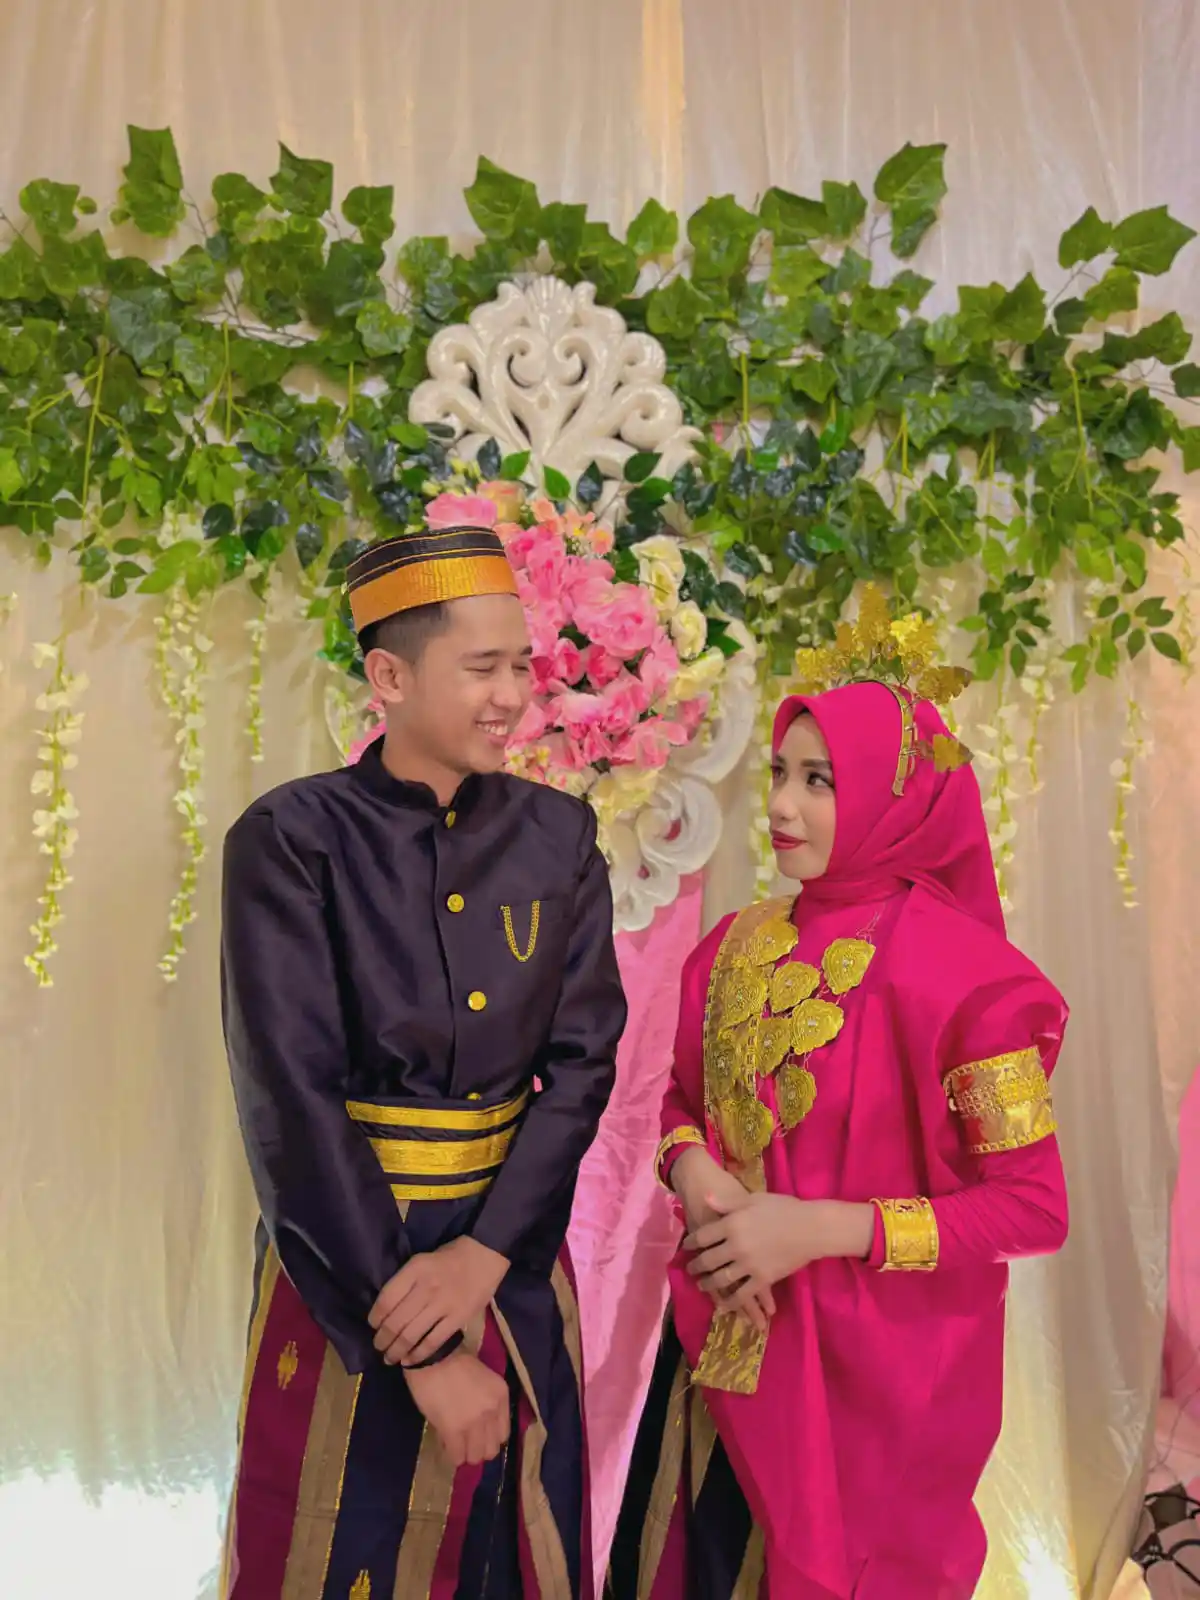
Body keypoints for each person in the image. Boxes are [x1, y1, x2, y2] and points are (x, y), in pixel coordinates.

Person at [607, 615, 1069, 1600]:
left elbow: (1033, 1207)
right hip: (720, 1350)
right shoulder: (732, 945)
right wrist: (694, 1168)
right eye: (781, 772)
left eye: (820, 780)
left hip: (880, 1396)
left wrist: (816, 1229)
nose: (782, 803)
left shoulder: (975, 984)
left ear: (898, 799)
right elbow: (681, 1098)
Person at [220, 522, 627, 1600]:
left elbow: (582, 1067)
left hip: (512, 1258)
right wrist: (423, 1345)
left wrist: (485, 1259)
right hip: (345, 1266)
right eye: (482, 668)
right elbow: (290, 1101)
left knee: (511, 1543)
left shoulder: (558, 838)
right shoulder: (292, 840)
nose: (512, 696)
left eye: (522, 667)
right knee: (336, 1538)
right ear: (390, 678)